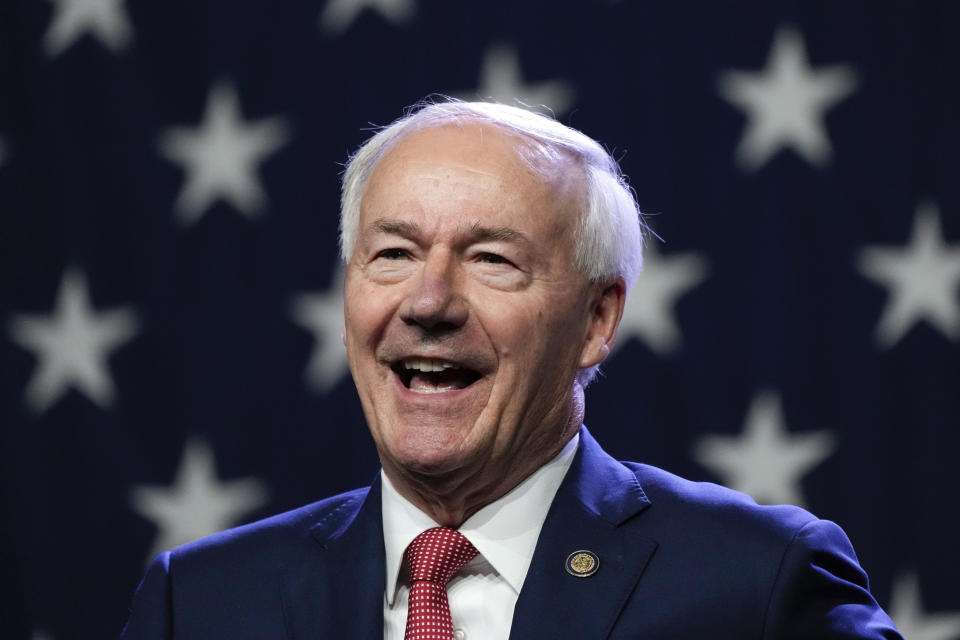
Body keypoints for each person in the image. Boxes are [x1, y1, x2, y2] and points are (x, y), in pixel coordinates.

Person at [120, 99, 902, 639]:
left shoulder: (756, 584)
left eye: (491, 260)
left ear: (597, 321)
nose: (428, 301)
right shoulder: (200, 605)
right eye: (392, 254)